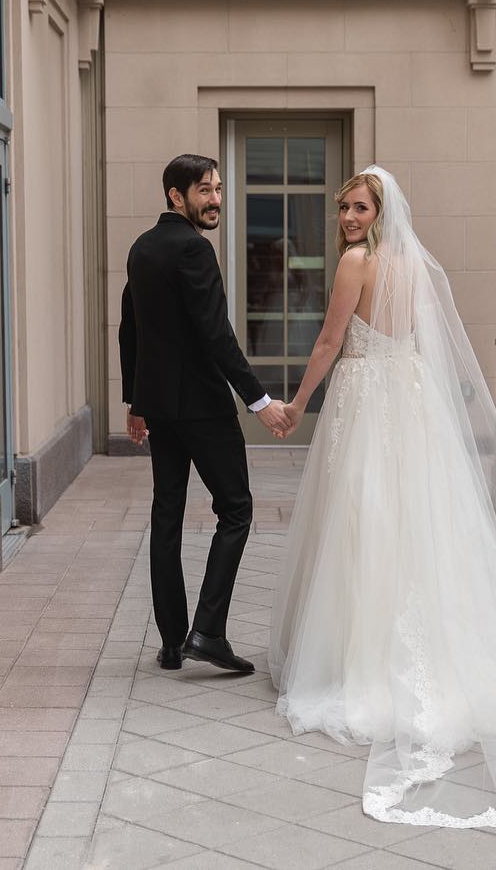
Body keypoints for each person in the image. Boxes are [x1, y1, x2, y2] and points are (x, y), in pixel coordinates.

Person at [268, 167, 496, 828]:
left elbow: (330, 340)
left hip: (368, 397)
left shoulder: (357, 262)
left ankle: (365, 661)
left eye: (359, 208)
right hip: (411, 399)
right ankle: (436, 654)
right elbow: (420, 341)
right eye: (344, 208)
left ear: (381, 212)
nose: (348, 219)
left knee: (366, 518)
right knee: (416, 521)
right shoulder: (413, 262)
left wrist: (297, 403)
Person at [119, 154, 292, 674]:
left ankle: (173, 643)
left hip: (161, 410)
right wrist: (259, 402)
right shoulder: (195, 249)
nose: (215, 199)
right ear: (177, 196)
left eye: (217, 189)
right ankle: (208, 632)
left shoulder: (141, 247)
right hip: (202, 408)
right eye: (204, 191)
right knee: (236, 510)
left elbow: (130, 330)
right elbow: (217, 335)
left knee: (167, 514)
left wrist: (135, 402)